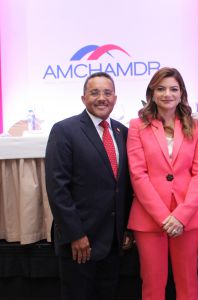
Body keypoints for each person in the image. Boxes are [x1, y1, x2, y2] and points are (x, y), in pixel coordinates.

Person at [45, 72, 133, 300]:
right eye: (95, 92)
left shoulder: (122, 132)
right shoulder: (65, 130)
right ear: (83, 98)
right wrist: (76, 234)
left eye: (107, 93)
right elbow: (57, 189)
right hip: (80, 244)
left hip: (113, 243)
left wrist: (126, 229)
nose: (102, 98)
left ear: (115, 98)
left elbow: (124, 187)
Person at [126, 67, 198, 300]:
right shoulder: (137, 126)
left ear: (182, 93)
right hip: (150, 218)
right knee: (153, 283)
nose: (167, 94)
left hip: (188, 217)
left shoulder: (196, 126)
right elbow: (138, 175)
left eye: (173, 89)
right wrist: (164, 217)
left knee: (188, 282)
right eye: (161, 89)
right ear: (151, 93)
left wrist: (181, 215)